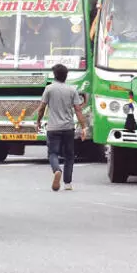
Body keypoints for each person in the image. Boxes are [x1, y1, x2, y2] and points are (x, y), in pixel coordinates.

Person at [34, 64, 87, 192]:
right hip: (68, 128)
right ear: (66, 76)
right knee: (69, 156)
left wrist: (38, 121)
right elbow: (78, 110)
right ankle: (67, 183)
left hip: (53, 128)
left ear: (54, 75)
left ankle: (57, 170)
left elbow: (41, 108)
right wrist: (84, 127)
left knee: (53, 153)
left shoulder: (49, 89)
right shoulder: (72, 90)